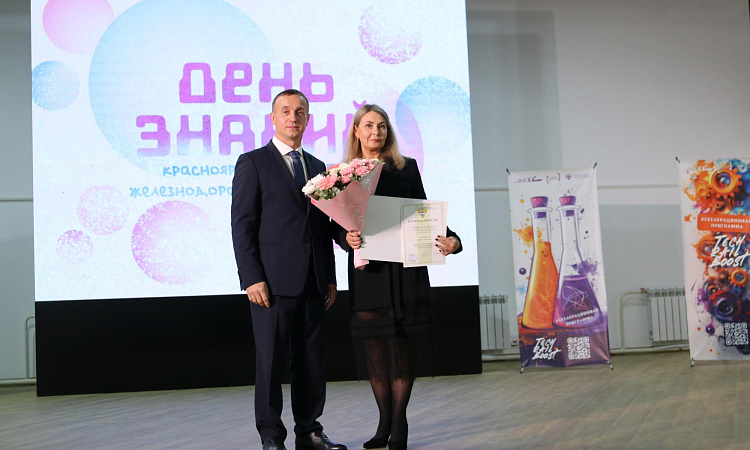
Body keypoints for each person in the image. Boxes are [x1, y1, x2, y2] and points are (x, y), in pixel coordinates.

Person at [334, 105, 462, 450]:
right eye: (368, 125)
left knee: (402, 350)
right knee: (375, 353)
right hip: (369, 274)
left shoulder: (406, 168)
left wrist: (453, 240)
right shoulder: (343, 173)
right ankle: (383, 423)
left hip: (405, 272)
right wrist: (346, 237)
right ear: (356, 131)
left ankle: (399, 423)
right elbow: (335, 224)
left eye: (381, 126)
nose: (375, 132)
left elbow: (423, 211)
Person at [231, 89, 348, 450]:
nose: (292, 117)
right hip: (271, 284)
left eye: (299, 112)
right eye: (285, 111)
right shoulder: (253, 162)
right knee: (270, 362)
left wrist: (329, 277)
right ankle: (271, 436)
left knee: (311, 362)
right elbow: (243, 225)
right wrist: (252, 277)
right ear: (273, 118)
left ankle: (309, 431)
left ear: (308, 120)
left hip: (313, 282)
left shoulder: (319, 167)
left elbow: (324, 226)